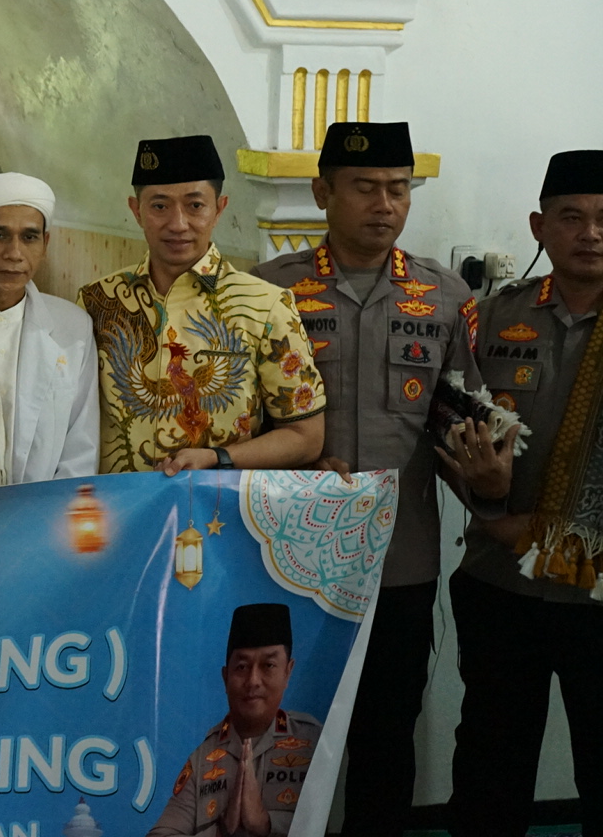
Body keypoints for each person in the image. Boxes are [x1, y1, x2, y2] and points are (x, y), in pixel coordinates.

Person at [252, 122, 481, 837]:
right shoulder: (268, 291)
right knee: (277, 734)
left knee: (387, 734)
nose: (384, 205)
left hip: (399, 562)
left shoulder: (445, 297)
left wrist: (492, 492)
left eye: (398, 189)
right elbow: (242, 422)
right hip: (287, 555)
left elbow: (463, 424)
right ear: (323, 192)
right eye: (364, 188)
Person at [445, 149, 602, 837]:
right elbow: (445, 426)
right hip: (501, 585)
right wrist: (487, 504)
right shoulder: (490, 318)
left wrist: (537, 534)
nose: (590, 233)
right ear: (539, 227)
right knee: (490, 766)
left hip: (599, 591)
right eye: (572, 217)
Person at [78, 135, 325, 474]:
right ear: (136, 211)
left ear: (219, 208)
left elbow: (305, 437)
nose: (178, 224)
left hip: (219, 503)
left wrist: (219, 457)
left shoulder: (266, 306)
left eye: (195, 206)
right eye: (159, 206)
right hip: (117, 503)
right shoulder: (97, 302)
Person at [0, 171, 98, 488]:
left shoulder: (72, 327)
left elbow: (81, 444)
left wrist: (47, 511)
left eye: (29, 237)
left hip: (40, 508)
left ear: (45, 244)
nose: (14, 253)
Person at [147, 603, 322, 837]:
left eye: (268, 665)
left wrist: (267, 823)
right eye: (242, 667)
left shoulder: (316, 744)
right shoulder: (204, 758)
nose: (253, 680)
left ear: (287, 672)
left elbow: (336, 823)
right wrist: (220, 831)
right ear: (225, 677)